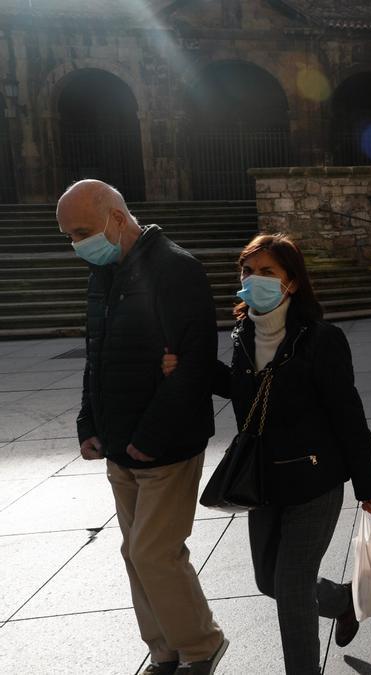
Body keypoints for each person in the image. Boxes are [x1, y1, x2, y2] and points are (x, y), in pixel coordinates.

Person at [165, 234, 371, 674]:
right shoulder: (242, 333)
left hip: (314, 481)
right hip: (263, 482)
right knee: (268, 581)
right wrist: (189, 366)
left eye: (268, 272)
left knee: (290, 588)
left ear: (291, 283)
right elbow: (243, 387)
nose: (255, 281)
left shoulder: (321, 340)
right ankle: (342, 599)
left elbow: (349, 417)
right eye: (248, 272)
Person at [58, 180, 227, 675]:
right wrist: (89, 422)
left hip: (164, 447)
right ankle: (165, 650)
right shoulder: (103, 272)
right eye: (68, 236)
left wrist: (149, 438)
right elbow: (97, 356)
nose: (76, 245)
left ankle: (201, 645)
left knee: (154, 552)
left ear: (116, 217)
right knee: (135, 554)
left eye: (81, 232)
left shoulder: (176, 268)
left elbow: (192, 366)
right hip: (117, 443)